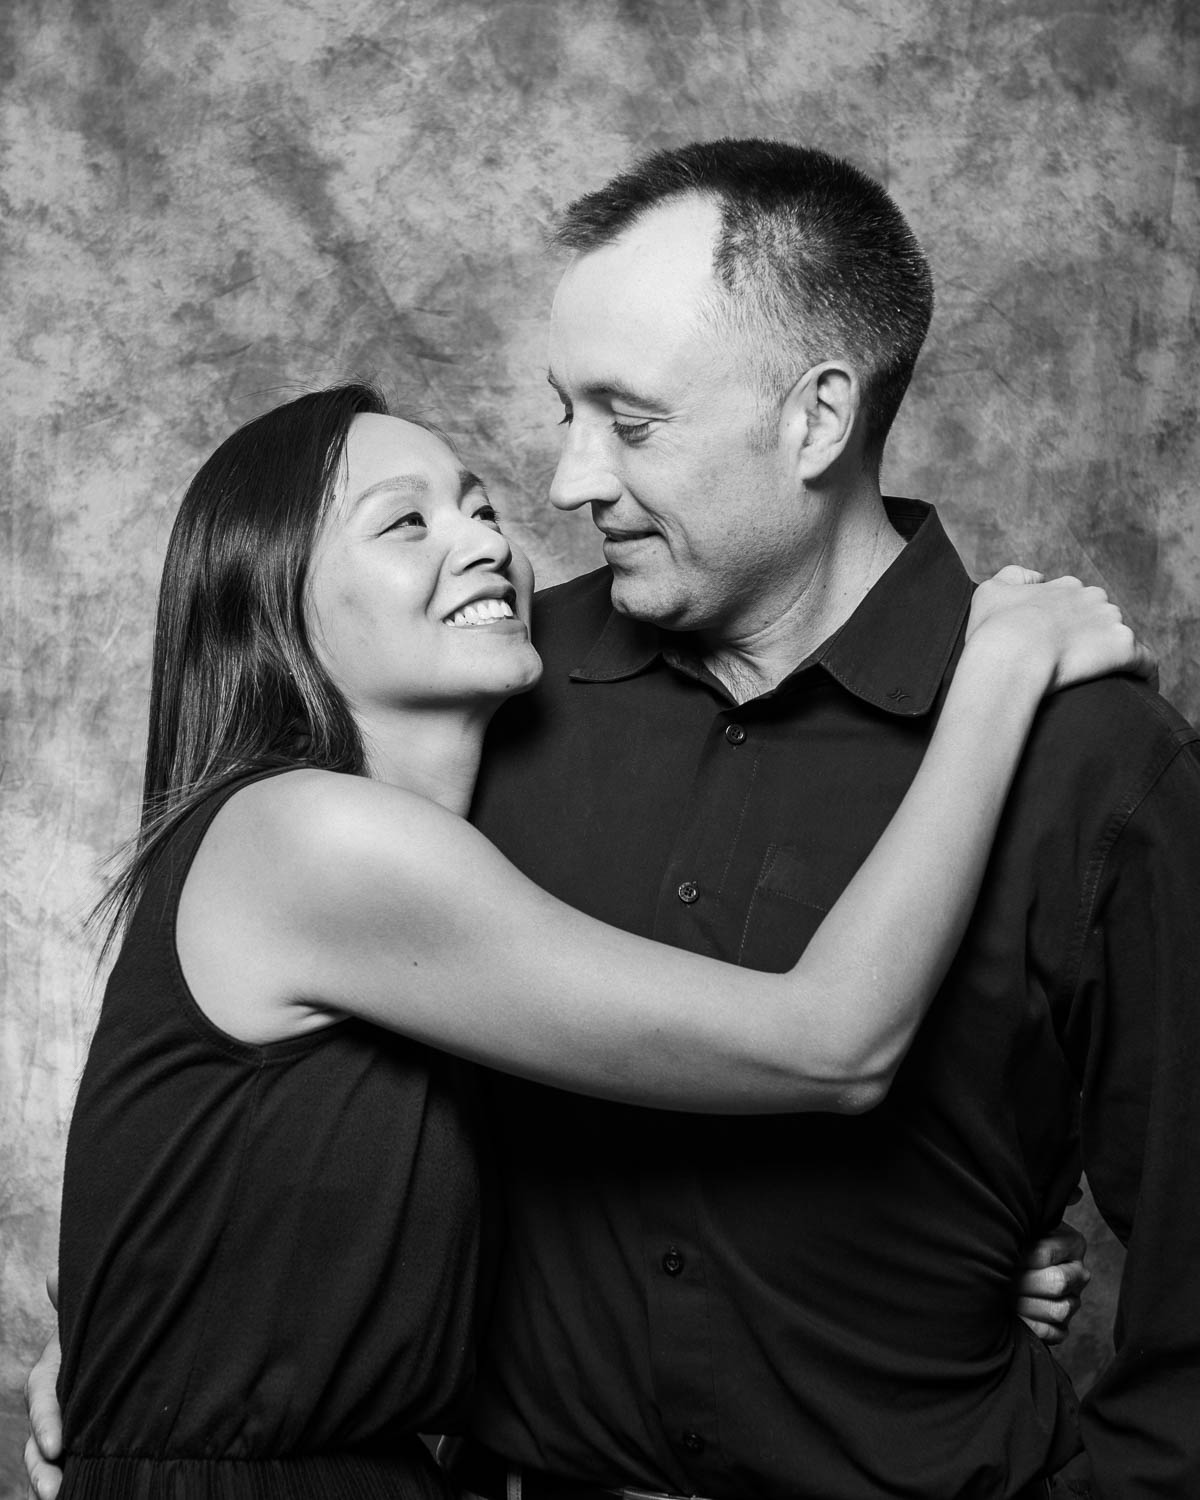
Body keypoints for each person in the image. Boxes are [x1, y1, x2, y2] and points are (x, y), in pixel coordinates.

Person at [25, 381, 1142, 1500]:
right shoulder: (312, 836)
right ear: (274, 606)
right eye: (406, 523)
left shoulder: (438, 875)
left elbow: (211, 1203)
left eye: (474, 506)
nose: (482, 540)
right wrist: (1001, 671)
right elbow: (826, 1045)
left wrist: (934, 1268)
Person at [443, 143, 1196, 1499]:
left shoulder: (1096, 760)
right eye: (566, 411)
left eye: (630, 418)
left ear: (817, 417)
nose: (566, 481)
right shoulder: (489, 694)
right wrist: (151, 1345)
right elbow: (299, 1074)